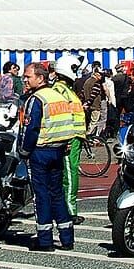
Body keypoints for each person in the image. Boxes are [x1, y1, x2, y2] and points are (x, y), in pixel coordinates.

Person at [17, 62, 75, 251]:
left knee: (41, 196)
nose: (25, 80)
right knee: (56, 194)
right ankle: (67, 238)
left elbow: (30, 128)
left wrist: (23, 151)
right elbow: (68, 123)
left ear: (40, 78)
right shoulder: (58, 96)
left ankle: (45, 241)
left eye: (28, 77)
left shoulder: (37, 99)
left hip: (40, 151)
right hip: (58, 150)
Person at [49, 55, 86, 225]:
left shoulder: (63, 89)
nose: (76, 72)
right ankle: (70, 211)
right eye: (74, 69)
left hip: (72, 137)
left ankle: (63, 209)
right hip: (70, 137)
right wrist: (69, 138)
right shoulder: (61, 90)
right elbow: (64, 115)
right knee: (70, 175)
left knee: (65, 173)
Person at [82, 67, 105, 136]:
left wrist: (85, 103)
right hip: (95, 105)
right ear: (97, 74)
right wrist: (88, 103)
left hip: (88, 105)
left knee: (89, 121)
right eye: (100, 75)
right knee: (94, 121)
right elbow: (93, 95)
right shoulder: (96, 83)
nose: (101, 77)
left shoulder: (87, 81)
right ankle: (89, 135)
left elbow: (82, 93)